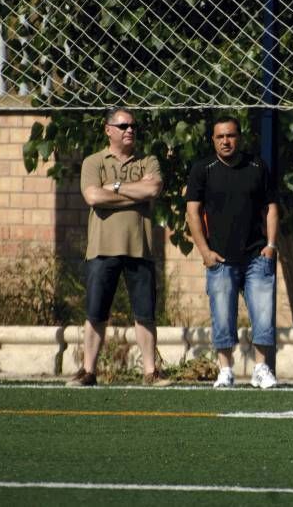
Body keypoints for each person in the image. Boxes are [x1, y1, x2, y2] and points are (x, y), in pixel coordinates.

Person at [68, 107, 172, 387]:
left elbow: (152, 190)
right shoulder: (93, 162)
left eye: (133, 127)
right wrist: (132, 192)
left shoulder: (148, 161)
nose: (130, 130)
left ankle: (151, 372)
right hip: (102, 248)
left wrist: (112, 188)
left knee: (145, 314)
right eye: (123, 125)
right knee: (96, 312)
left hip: (141, 248)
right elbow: (92, 196)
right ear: (108, 129)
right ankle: (88, 371)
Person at [185, 116, 279, 389]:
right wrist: (205, 251)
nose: (226, 141)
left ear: (240, 137)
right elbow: (193, 212)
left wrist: (271, 246)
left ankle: (261, 369)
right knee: (222, 314)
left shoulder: (257, 166)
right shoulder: (203, 169)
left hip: (256, 257)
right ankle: (225, 370)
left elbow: (271, 207)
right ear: (213, 140)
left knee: (263, 314)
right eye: (220, 137)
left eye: (231, 136)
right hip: (220, 259)